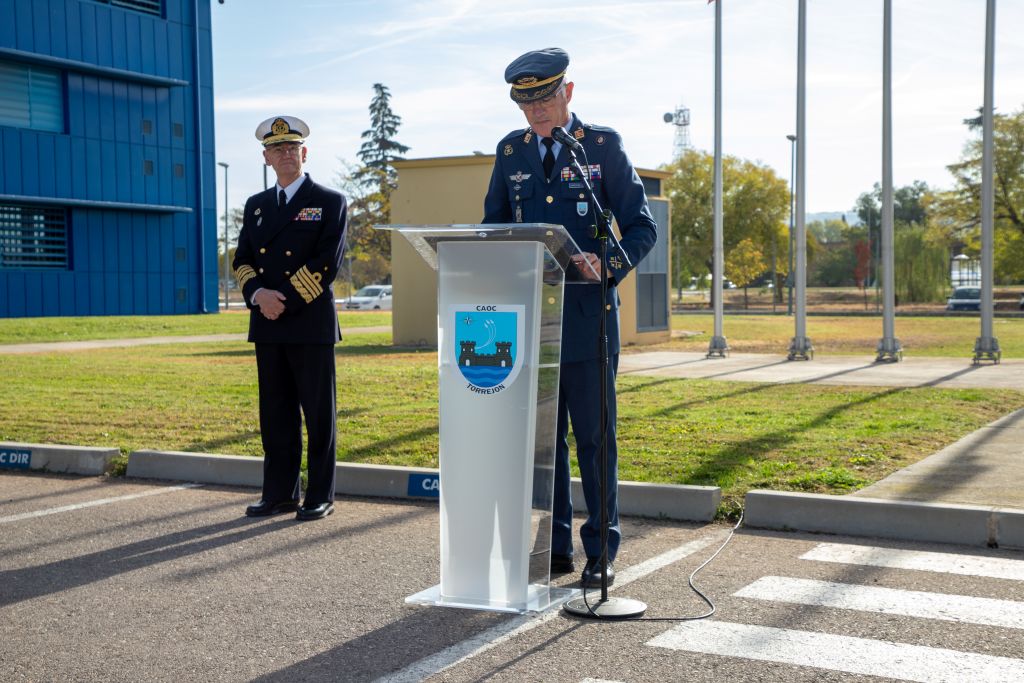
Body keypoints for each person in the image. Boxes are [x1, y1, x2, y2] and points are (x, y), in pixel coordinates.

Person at [482, 48, 657, 587]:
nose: (535, 110)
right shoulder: (510, 152)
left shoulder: (601, 147)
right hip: (533, 322)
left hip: (587, 320)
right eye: (525, 101)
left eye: (544, 97)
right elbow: (491, 226)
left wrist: (609, 263)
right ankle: (553, 547)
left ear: (568, 92)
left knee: (594, 438)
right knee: (543, 442)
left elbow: (641, 227)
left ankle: (601, 548)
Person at [233, 115, 347, 521]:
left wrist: (283, 300)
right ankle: (279, 493)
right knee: (276, 414)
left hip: (308, 321)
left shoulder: (329, 201)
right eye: (276, 149)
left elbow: (325, 264)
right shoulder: (256, 207)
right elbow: (242, 260)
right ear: (266, 157)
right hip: (267, 322)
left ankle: (320, 494)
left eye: (291, 148)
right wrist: (257, 295)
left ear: (305, 153)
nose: (285, 155)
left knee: (318, 415)